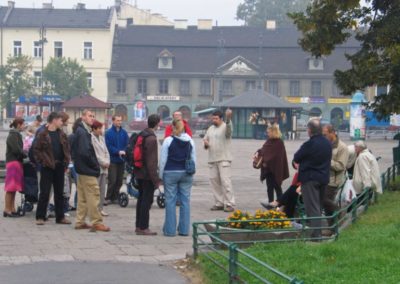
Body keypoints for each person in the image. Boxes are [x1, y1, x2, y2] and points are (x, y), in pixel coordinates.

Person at [293, 118, 332, 239]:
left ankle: (316, 235)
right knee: (318, 207)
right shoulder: (327, 143)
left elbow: (297, 157)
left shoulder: (309, 144)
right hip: (323, 179)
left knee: (312, 208)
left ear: (309, 130)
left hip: (310, 179)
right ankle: (317, 232)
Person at [73, 109, 110, 232]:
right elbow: (85, 153)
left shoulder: (81, 131)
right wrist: (94, 165)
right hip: (87, 170)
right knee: (94, 196)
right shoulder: (83, 132)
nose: (92, 118)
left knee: (83, 198)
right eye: (89, 116)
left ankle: (80, 221)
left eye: (93, 116)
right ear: (83, 117)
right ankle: (97, 222)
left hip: (81, 169)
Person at [33, 112, 71, 225]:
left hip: (60, 166)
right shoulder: (42, 134)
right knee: (44, 192)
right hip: (47, 167)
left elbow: (67, 148)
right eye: (60, 120)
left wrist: (66, 161)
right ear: (54, 120)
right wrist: (43, 161)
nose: (62, 122)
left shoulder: (62, 134)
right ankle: (40, 217)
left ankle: (60, 217)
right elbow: (36, 150)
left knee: (59, 193)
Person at [159, 119, 196, 237]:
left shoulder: (168, 141)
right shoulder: (190, 141)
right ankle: (184, 230)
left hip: (170, 172)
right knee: (185, 201)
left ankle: (170, 230)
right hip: (186, 173)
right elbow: (193, 159)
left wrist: (160, 175)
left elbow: (163, 159)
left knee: (170, 201)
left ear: (173, 128)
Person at [133, 114, 161, 235]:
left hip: (139, 172)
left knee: (141, 199)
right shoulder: (152, 139)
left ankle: (138, 225)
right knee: (147, 201)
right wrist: (156, 179)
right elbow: (152, 161)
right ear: (157, 124)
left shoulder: (142, 134)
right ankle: (144, 227)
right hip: (147, 174)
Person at [203, 109, 235, 212]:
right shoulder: (210, 128)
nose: (214, 120)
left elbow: (229, 132)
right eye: (213, 118)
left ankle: (229, 203)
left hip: (224, 159)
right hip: (212, 159)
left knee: (226, 182)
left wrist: (228, 118)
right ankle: (219, 202)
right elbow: (206, 139)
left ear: (221, 119)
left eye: (216, 118)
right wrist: (206, 143)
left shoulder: (226, 126)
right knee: (214, 182)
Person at [322, 124, 349, 235]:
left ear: (332, 133)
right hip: (323, 178)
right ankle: (331, 228)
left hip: (333, 180)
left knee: (323, 200)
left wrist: (326, 161)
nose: (323, 137)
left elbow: (341, 166)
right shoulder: (326, 145)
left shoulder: (342, 147)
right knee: (325, 204)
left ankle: (339, 212)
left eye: (325, 134)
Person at [258, 124, 289, 208]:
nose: (267, 134)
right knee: (269, 187)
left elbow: (277, 156)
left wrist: (266, 160)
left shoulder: (279, 142)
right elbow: (263, 150)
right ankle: (271, 203)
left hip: (276, 169)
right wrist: (258, 153)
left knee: (277, 187)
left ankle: (280, 204)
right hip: (268, 169)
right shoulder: (269, 141)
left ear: (273, 132)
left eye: (268, 132)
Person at [3, 118, 26, 217]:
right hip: (13, 163)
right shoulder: (13, 135)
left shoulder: (16, 134)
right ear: (19, 125)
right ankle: (7, 209)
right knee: (10, 188)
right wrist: (25, 154)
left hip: (16, 163)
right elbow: (17, 150)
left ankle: (12, 208)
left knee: (14, 188)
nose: (24, 126)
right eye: (23, 124)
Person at [105, 115, 129, 205]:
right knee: (112, 180)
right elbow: (108, 146)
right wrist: (118, 151)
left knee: (119, 180)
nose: (119, 122)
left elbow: (128, 144)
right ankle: (108, 197)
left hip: (122, 160)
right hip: (113, 160)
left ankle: (115, 197)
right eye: (117, 120)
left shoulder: (124, 133)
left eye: (120, 120)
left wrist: (125, 151)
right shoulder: (108, 133)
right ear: (113, 121)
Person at [91, 120, 110, 217]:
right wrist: (103, 163)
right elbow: (95, 155)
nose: (101, 130)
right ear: (94, 129)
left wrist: (107, 162)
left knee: (102, 189)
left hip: (105, 167)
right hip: (97, 167)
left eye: (101, 128)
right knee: (95, 190)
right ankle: (94, 209)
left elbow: (106, 151)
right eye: (99, 129)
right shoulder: (91, 138)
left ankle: (100, 208)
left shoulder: (102, 138)